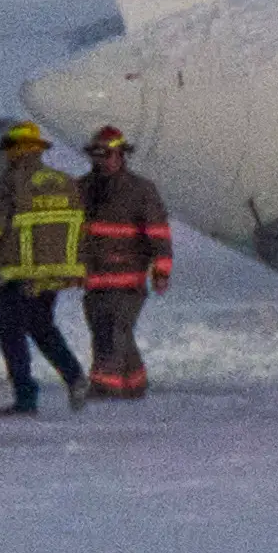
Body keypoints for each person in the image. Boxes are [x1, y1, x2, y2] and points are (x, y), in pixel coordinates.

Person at [0, 121, 90, 415]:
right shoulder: (65, 182)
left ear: (16, 151)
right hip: (54, 274)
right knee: (42, 327)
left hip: (19, 274)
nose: (7, 156)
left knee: (11, 333)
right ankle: (75, 377)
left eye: (9, 150)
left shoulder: (12, 182)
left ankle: (26, 398)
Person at [78, 124, 172, 399]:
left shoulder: (141, 190)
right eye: (97, 155)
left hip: (128, 278)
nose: (102, 161)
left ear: (121, 155)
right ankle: (134, 384)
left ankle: (104, 387)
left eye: (108, 155)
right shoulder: (81, 189)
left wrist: (161, 271)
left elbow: (159, 234)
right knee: (107, 331)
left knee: (112, 331)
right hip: (94, 279)